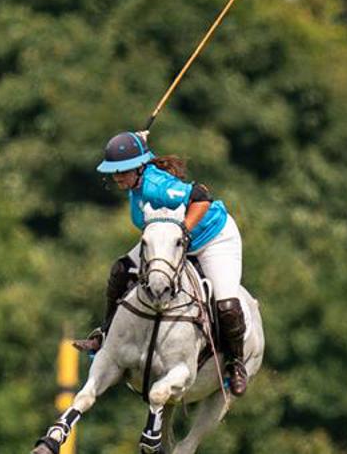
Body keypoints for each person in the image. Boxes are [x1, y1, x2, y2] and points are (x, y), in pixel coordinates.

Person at [72, 130, 249, 396]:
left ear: (140, 168)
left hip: (212, 238)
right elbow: (144, 154)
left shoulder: (157, 186)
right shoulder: (138, 177)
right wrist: (138, 139)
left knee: (226, 306)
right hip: (168, 242)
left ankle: (235, 363)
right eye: (114, 171)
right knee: (121, 270)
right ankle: (105, 335)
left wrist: (185, 231)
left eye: (123, 170)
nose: (117, 176)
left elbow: (201, 196)